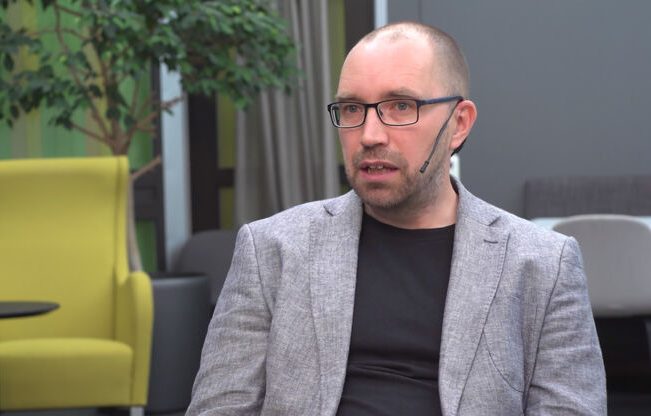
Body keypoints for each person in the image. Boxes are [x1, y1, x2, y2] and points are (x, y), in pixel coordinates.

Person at [186, 21, 606, 415]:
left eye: (401, 106)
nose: (369, 135)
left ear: (459, 124)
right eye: (352, 109)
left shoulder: (542, 265)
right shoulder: (271, 250)